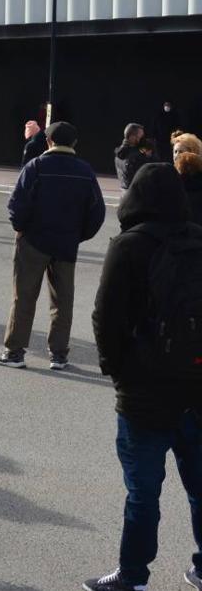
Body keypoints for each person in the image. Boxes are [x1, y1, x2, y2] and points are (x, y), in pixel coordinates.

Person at [84, 163, 202, 591]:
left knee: (142, 494)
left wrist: (118, 373)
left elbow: (106, 318)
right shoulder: (197, 239)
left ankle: (133, 576)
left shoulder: (129, 246)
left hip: (144, 394)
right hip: (196, 388)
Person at [0, 121, 106, 370]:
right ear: (74, 143)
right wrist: (78, 235)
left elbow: (16, 205)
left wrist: (21, 228)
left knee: (23, 297)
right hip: (66, 243)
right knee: (63, 301)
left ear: (48, 141)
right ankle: (59, 354)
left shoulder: (36, 167)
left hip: (33, 241)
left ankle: (15, 352)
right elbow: (96, 212)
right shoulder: (85, 171)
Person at [115, 123, 153, 190]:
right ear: (132, 137)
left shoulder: (119, 151)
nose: (143, 138)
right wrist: (148, 157)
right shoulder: (133, 156)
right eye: (140, 136)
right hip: (134, 193)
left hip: (126, 191)